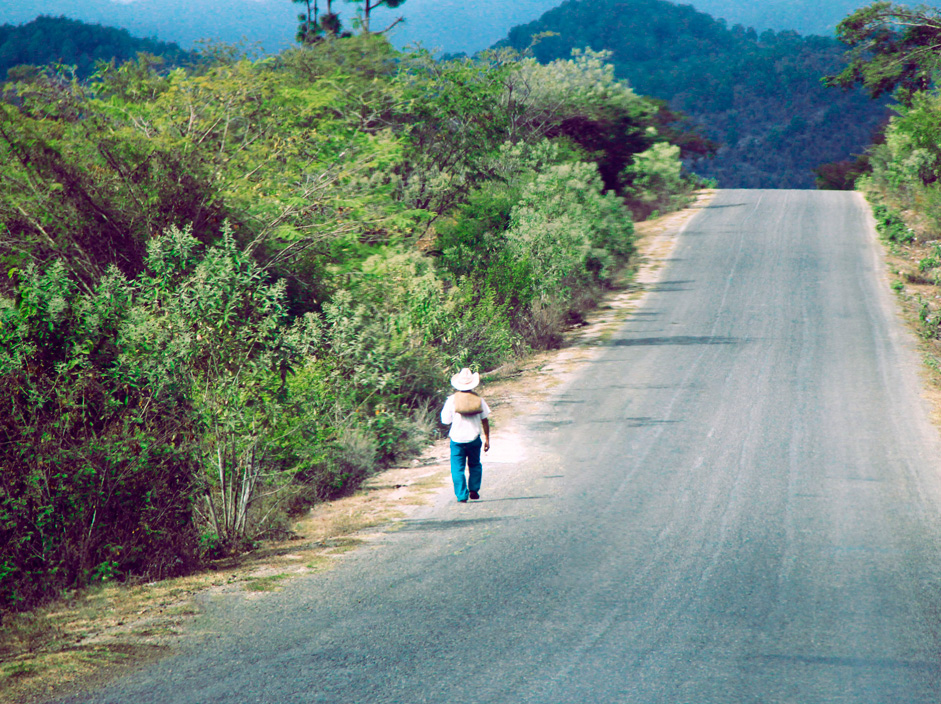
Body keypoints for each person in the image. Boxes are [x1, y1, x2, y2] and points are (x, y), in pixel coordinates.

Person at [440, 368, 491, 503]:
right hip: (474, 438)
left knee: (457, 468)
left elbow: (445, 421)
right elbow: (485, 420)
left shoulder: (451, 400)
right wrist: (487, 439)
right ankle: (474, 489)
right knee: (475, 464)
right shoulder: (479, 399)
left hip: (457, 439)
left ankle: (462, 495)